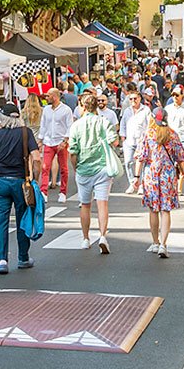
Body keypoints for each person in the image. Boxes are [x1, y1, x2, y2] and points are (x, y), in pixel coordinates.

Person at [0, 106, 40, 274]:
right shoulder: (26, 133)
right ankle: (23, 257)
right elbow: (36, 158)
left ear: (2, 118)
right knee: (23, 218)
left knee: (1, 220)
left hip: (0, 181)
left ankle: (2, 260)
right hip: (21, 181)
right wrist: (34, 178)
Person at [134, 101, 184, 256]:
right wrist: (182, 171)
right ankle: (164, 244)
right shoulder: (172, 134)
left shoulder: (148, 134)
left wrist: (137, 177)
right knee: (166, 210)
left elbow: (141, 157)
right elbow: (180, 156)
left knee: (153, 209)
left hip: (151, 174)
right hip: (168, 175)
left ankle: (155, 242)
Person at [69, 92, 117, 255]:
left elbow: (73, 151)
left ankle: (85, 238)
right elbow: (114, 140)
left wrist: (75, 168)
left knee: (85, 204)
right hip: (102, 167)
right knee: (102, 203)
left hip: (84, 168)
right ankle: (103, 236)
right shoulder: (104, 122)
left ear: (83, 107)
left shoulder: (76, 125)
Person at [38, 87, 74, 203]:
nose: (46, 98)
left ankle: (63, 192)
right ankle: (43, 191)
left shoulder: (66, 110)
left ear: (55, 97)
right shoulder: (46, 110)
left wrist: (65, 141)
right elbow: (43, 125)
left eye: (48, 96)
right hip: (48, 141)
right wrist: (40, 140)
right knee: (45, 167)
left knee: (64, 168)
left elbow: (70, 126)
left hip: (60, 142)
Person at [164, 86, 184, 157]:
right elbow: (164, 125)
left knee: (181, 163)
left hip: (183, 139)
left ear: (182, 96)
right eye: (173, 95)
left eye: (177, 95)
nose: (175, 97)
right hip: (170, 139)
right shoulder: (167, 108)